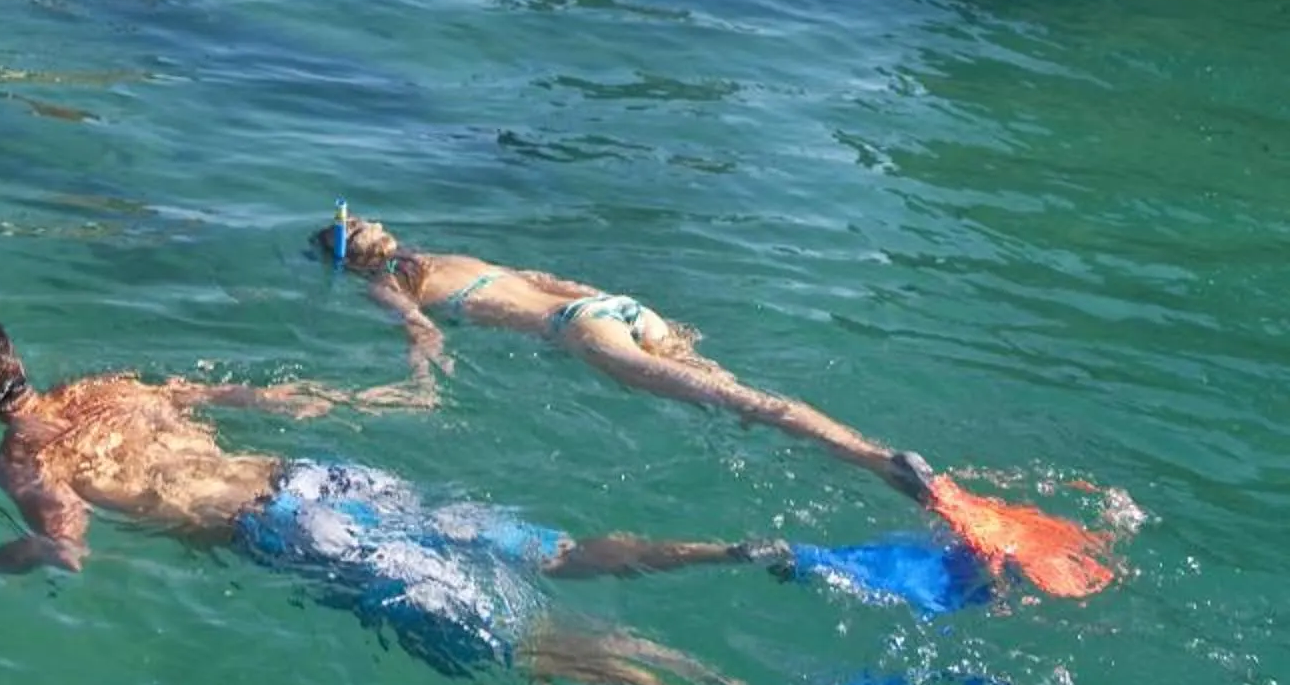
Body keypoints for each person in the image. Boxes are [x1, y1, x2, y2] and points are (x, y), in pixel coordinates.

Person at [0, 315, 799, 685]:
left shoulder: (21, 459)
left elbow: (66, 553)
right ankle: (731, 550)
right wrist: (328, 399)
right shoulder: (112, 387)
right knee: (547, 552)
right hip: (321, 475)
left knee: (519, 641)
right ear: (16, 355)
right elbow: (248, 397)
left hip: (286, 531)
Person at [317, 215, 1118, 598]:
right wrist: (652, 325)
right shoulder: (453, 252)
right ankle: (896, 468)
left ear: (353, 264)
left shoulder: (391, 285)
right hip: (622, 307)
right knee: (745, 400)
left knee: (748, 406)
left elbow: (425, 336)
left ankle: (889, 465)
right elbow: (559, 278)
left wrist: (421, 380)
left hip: (580, 332)